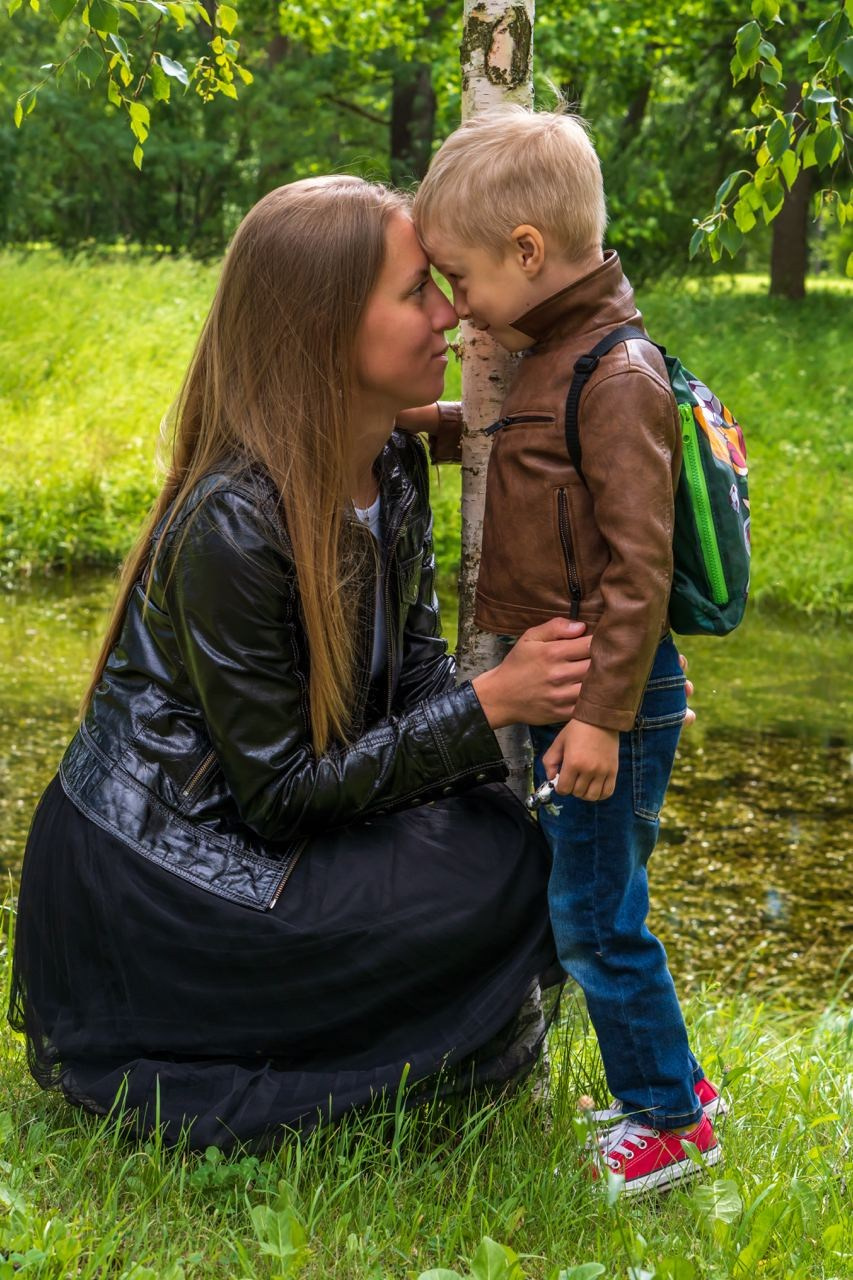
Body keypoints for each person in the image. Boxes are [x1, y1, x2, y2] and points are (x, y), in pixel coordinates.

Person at [7, 175, 600, 1153]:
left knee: (515, 853)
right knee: (478, 881)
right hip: (159, 875)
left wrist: (560, 708)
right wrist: (496, 696)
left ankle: (442, 1039)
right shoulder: (232, 522)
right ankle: (350, 1045)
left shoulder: (393, 468)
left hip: (278, 828)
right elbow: (279, 796)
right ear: (325, 326)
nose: (450, 312)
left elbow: (412, 688)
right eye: (417, 291)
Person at [412, 107, 725, 1195]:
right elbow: (520, 439)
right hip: (590, 695)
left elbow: (637, 568)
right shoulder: (549, 351)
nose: (454, 309)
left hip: (611, 703)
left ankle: (670, 1122)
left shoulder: (616, 370)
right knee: (599, 897)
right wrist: (431, 420)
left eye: (459, 279)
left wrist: (596, 715)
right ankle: (672, 1076)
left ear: (528, 253)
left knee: (594, 917)